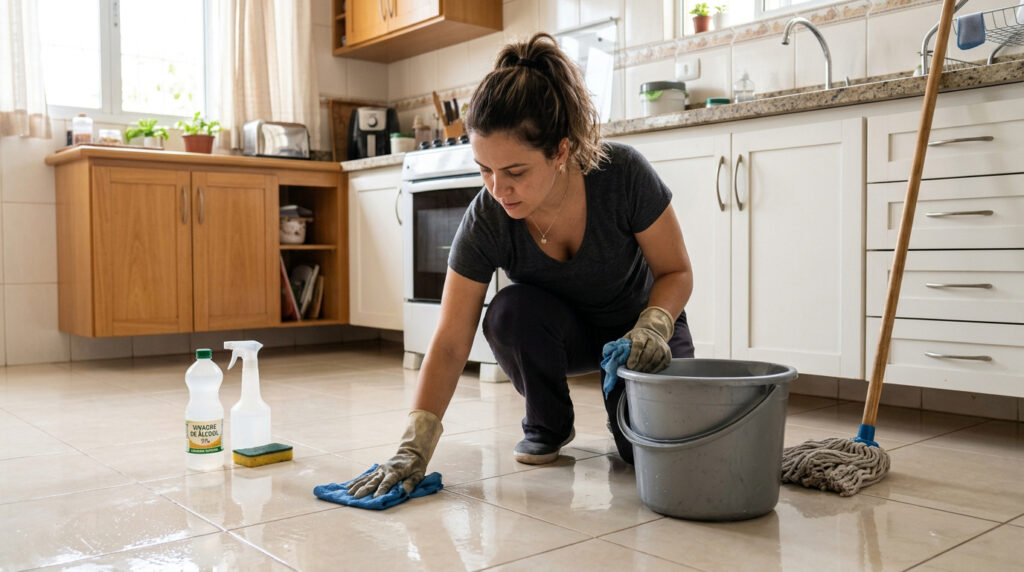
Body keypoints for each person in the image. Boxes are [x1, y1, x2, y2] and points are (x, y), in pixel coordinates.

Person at [346, 32, 694, 499]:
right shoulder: (488, 217)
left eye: (514, 172)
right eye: (483, 169)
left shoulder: (623, 174)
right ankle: (548, 422)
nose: (497, 188)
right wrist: (413, 448)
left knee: (645, 454)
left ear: (561, 152)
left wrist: (654, 326)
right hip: (556, 335)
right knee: (507, 310)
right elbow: (450, 341)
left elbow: (676, 271)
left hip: (641, 337)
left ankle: (628, 404)